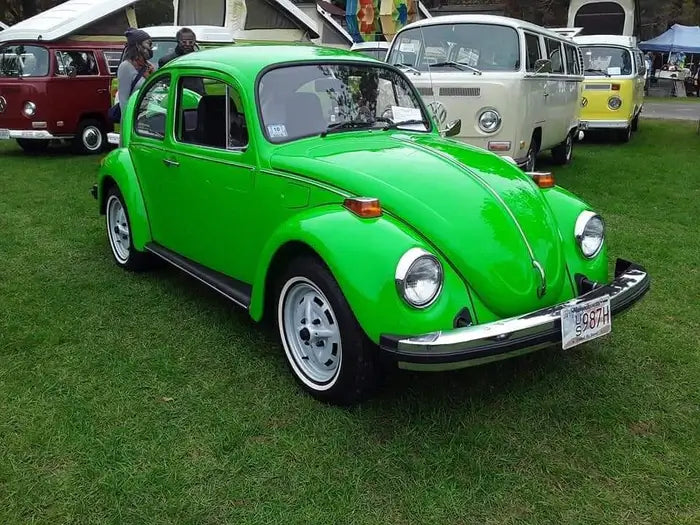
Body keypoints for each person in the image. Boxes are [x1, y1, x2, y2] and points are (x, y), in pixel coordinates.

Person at [116, 28, 155, 120]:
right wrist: (128, 123)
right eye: (148, 43)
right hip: (134, 120)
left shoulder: (149, 67)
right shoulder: (126, 67)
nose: (151, 47)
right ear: (138, 45)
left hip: (149, 118)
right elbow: (123, 101)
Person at [158, 27, 205, 95]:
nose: (187, 44)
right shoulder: (167, 61)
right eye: (184, 42)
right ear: (178, 41)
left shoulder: (198, 59)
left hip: (198, 99)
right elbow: (165, 86)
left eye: (191, 42)